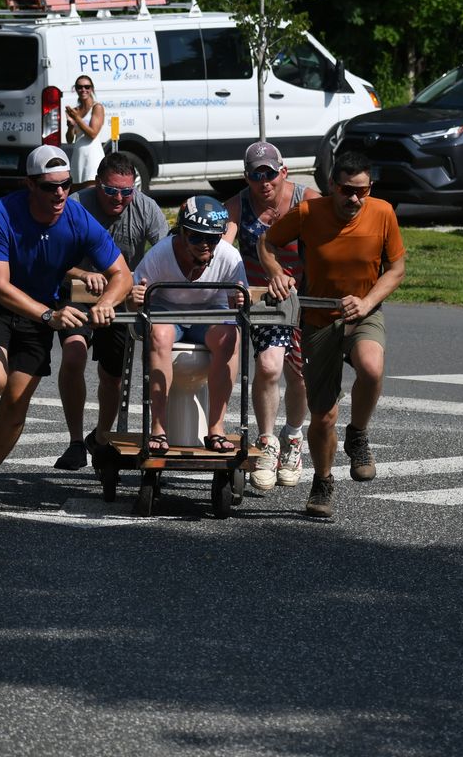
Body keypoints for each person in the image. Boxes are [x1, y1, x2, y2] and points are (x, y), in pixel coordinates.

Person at [0, 145, 132, 510]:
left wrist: (107, 302)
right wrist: (49, 315)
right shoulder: (0, 214)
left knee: (15, 404)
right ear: (29, 184)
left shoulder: (76, 218)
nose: (59, 193)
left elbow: (121, 273)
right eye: (49, 186)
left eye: (66, 184)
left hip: (37, 318)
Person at [258, 151, 406, 519]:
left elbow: (397, 268)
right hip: (318, 318)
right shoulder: (310, 213)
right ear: (332, 186)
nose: (354, 199)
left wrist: (368, 300)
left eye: (362, 191)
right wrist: (276, 271)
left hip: (363, 312)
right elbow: (267, 243)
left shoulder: (383, 213)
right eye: (346, 190)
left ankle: (357, 434)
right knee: (323, 415)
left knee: (371, 368)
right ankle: (322, 481)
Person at [51, 152, 170, 469]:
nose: (119, 198)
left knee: (113, 377)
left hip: (120, 296)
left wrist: (146, 286)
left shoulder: (145, 207)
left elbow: (167, 254)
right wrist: (81, 273)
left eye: (126, 192)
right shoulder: (76, 205)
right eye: (111, 191)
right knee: (74, 356)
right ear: (98, 184)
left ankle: (101, 438)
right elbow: (53, 257)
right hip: (77, 291)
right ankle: (76, 442)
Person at [224, 142, 320, 492]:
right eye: (255, 175)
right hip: (263, 300)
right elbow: (222, 247)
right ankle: (266, 442)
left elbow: (329, 241)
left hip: (305, 297)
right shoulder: (238, 205)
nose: (263, 182)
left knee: (301, 373)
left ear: (284, 172)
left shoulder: (306, 199)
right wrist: (232, 283)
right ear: (246, 177)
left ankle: (293, 438)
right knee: (268, 366)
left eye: (269, 173)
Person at [131, 196, 246, 454]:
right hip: (167, 311)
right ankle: (158, 428)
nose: (205, 245)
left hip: (208, 313)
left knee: (231, 337)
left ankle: (216, 428)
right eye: (196, 237)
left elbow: (239, 307)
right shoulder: (160, 254)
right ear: (181, 232)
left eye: (213, 239)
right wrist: (135, 298)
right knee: (158, 335)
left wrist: (239, 299)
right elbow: (135, 304)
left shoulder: (229, 257)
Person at [65, 75, 106, 191]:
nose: (83, 90)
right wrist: (70, 127)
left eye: (87, 86)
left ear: (92, 89)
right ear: (76, 89)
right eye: (79, 87)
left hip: (92, 156)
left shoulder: (97, 107)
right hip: (78, 156)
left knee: (91, 194)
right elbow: (69, 139)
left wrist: (77, 118)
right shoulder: (75, 110)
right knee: (76, 196)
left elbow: (93, 133)